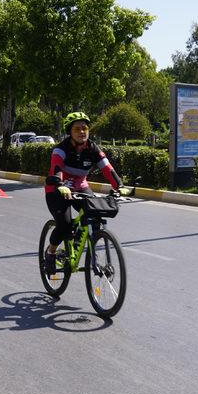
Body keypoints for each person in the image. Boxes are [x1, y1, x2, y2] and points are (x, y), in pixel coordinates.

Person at [43, 111, 130, 274]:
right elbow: (56, 169)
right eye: (77, 129)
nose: (82, 132)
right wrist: (60, 183)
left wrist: (119, 186)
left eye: (85, 128)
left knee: (95, 214)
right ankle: (51, 252)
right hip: (57, 188)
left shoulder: (93, 148)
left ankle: (78, 241)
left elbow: (107, 168)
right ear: (70, 132)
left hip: (80, 186)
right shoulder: (60, 149)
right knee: (65, 224)